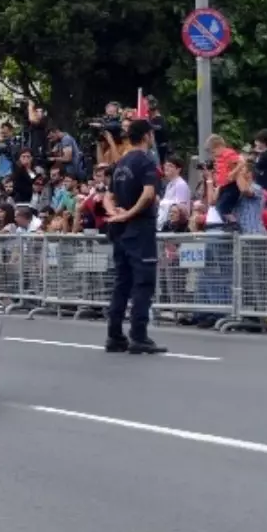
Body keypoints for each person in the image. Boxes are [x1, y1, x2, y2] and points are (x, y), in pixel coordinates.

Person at [104, 119, 167, 355]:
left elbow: (107, 196)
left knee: (122, 283)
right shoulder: (147, 161)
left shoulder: (121, 163)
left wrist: (115, 214)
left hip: (121, 230)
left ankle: (114, 336)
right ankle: (138, 336)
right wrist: (129, 214)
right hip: (140, 228)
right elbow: (149, 193)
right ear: (147, 135)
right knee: (143, 282)